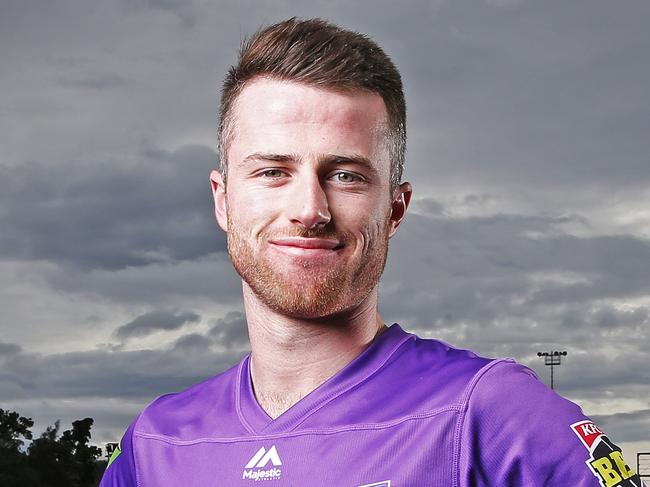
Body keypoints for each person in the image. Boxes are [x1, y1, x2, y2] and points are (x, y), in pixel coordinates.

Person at [100, 17, 644, 487]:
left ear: (395, 209)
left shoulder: (492, 414)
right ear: (223, 200)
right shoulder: (156, 445)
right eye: (272, 172)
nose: (309, 209)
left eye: (345, 175)